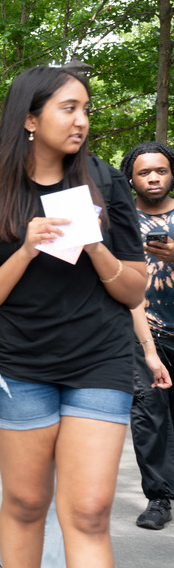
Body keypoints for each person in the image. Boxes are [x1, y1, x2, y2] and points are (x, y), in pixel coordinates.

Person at [0, 65, 148, 567]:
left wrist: (96, 246)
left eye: (85, 109)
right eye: (69, 108)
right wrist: (25, 249)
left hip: (98, 360)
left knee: (87, 512)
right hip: (16, 364)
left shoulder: (105, 181)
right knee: (26, 503)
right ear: (31, 119)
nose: (81, 120)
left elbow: (132, 289)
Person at [119, 141, 174, 530]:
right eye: (144, 172)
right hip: (142, 334)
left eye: (160, 170)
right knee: (149, 416)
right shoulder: (122, 222)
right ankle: (159, 497)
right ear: (131, 178)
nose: (153, 178)